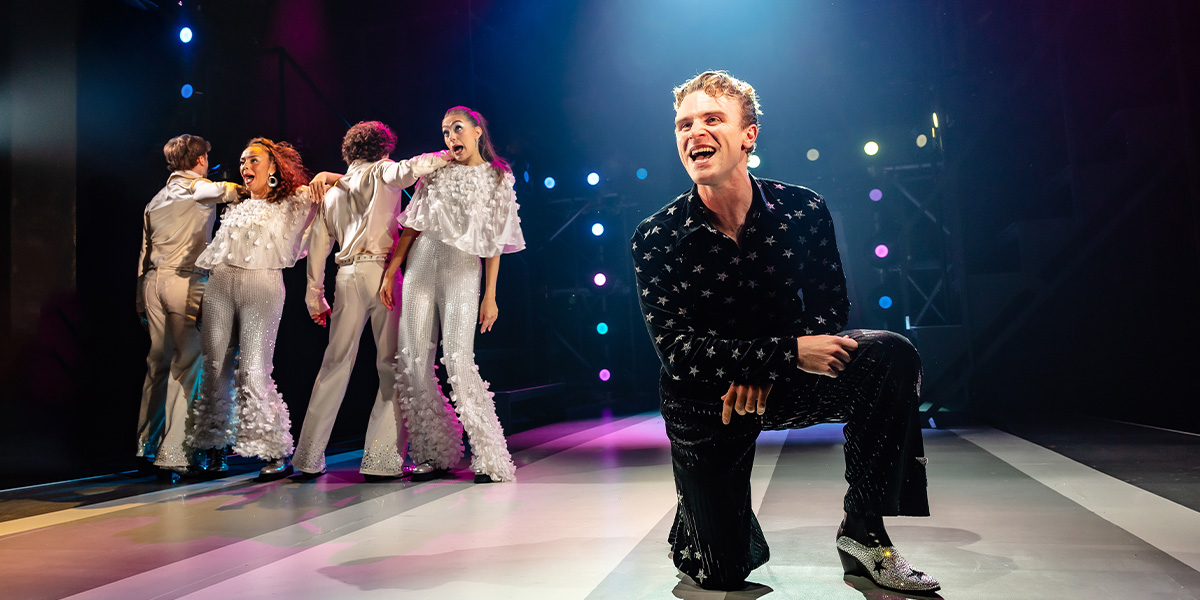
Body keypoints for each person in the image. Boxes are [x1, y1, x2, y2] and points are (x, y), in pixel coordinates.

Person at [631, 71, 939, 593]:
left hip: (788, 381)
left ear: (748, 135)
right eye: (684, 124)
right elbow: (677, 352)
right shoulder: (656, 236)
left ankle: (866, 533)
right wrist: (779, 356)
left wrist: (773, 367)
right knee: (721, 573)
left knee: (890, 354)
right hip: (707, 400)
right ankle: (702, 518)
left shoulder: (803, 209)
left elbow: (829, 304)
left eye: (712, 119)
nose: (694, 133)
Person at [292, 121, 449, 481]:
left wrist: (314, 296)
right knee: (392, 366)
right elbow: (411, 169)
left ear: (349, 152)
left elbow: (318, 245)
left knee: (333, 367)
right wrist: (448, 154)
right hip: (381, 274)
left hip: (346, 277)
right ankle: (381, 460)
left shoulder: (331, 193)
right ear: (383, 148)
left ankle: (307, 458)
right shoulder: (383, 170)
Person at [378, 106, 525, 484]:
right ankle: (433, 452)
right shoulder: (436, 171)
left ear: (477, 131)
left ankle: (490, 456)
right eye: (445, 132)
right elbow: (413, 223)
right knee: (412, 361)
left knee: (458, 359)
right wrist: (393, 268)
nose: (450, 138)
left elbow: (494, 242)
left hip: (462, 270)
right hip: (421, 266)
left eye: (457, 129)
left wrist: (490, 295)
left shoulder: (497, 177)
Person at [186, 137, 320, 481]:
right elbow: (198, 193)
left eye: (254, 161)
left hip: (261, 284)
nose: (246, 167)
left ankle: (274, 450)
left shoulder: (294, 200)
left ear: (274, 166)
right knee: (215, 366)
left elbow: (338, 185)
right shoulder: (238, 200)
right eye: (243, 161)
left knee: (253, 369)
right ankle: (214, 448)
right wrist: (232, 188)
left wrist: (326, 176)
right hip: (220, 283)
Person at [135, 134, 239, 481]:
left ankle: (146, 446)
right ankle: (173, 453)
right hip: (185, 279)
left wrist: (140, 296)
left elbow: (144, 252)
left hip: (152, 282)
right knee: (188, 365)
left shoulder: (155, 199)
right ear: (199, 161)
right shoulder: (200, 188)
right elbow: (232, 191)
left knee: (157, 365)